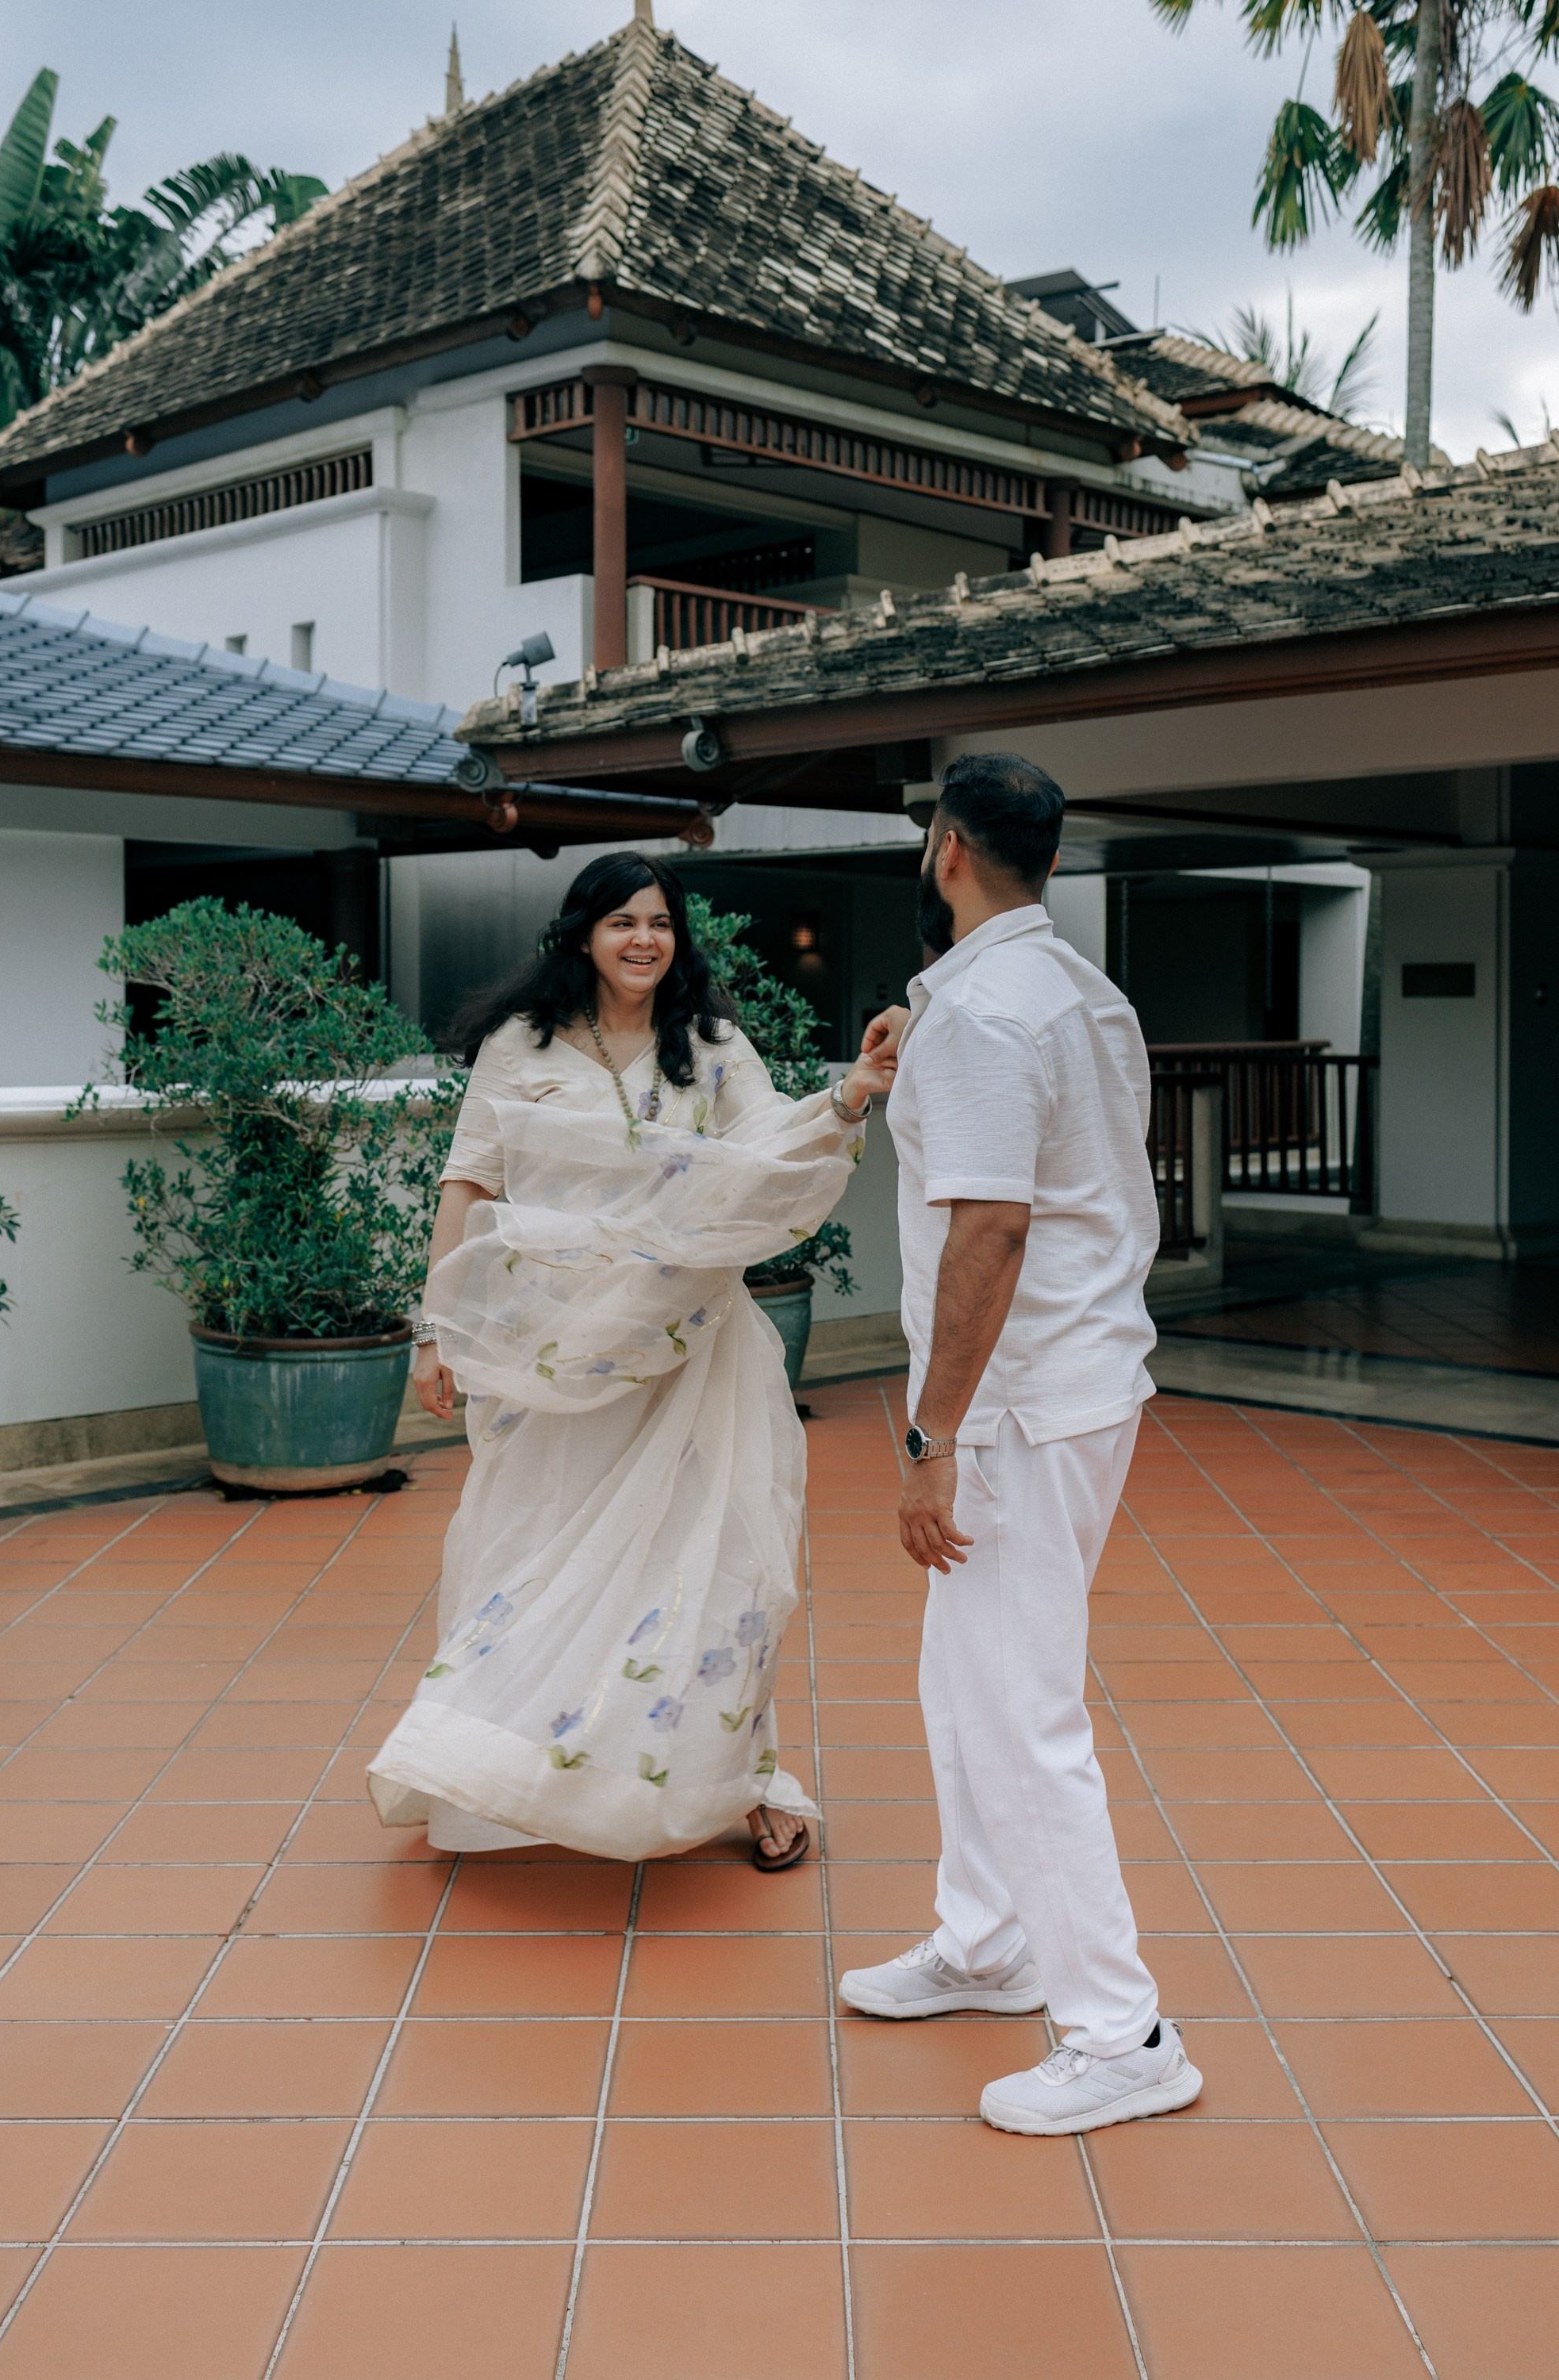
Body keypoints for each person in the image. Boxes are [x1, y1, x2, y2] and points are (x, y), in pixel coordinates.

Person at [367, 853, 895, 1870]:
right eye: (620, 922)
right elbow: (467, 1187)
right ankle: (506, 1772)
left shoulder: (709, 1044)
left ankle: (739, 1782)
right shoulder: (516, 1048)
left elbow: (770, 1151)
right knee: (528, 1557)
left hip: (695, 1347)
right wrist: (435, 1332)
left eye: (658, 922)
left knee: (720, 1563)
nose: (643, 940)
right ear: (580, 934)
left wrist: (845, 1098)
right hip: (556, 1359)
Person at [838, 753, 1204, 2136]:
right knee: (962, 1678)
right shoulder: (1070, 994)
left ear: (945, 850)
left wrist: (933, 1432)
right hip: (1073, 1382)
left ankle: (1122, 2031)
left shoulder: (990, 1013)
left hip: (1021, 1404)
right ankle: (988, 1941)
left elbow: (992, 1227)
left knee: (1024, 1705)